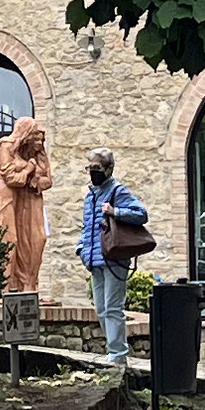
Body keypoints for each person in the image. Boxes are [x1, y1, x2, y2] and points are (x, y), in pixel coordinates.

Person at [76, 150, 150, 363]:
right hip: (93, 259)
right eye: (89, 168)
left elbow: (141, 214)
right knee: (100, 309)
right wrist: (81, 248)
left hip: (114, 257)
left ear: (109, 169)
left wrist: (115, 211)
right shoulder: (91, 195)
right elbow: (86, 226)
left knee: (113, 307)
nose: (92, 173)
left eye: (97, 169)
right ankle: (113, 350)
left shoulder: (118, 191)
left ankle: (118, 355)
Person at [0, 115, 54, 299]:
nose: (38, 142)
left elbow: (47, 180)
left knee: (37, 239)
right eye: (35, 137)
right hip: (7, 197)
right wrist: (29, 170)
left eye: (40, 139)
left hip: (29, 199)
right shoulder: (6, 146)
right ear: (26, 134)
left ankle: (29, 284)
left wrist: (35, 179)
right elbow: (11, 178)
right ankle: (7, 287)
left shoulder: (33, 154)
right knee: (10, 241)